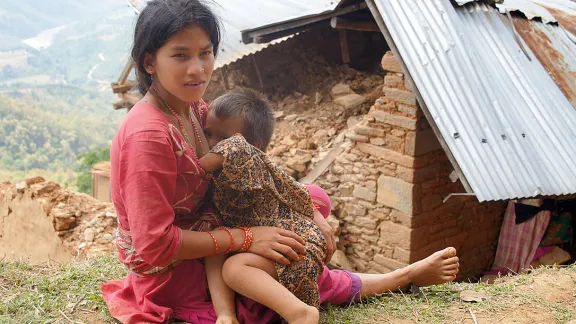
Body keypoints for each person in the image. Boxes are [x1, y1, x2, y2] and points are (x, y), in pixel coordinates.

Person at [101, 1, 460, 323]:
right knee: (271, 267)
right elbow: (154, 245)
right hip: (176, 266)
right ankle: (400, 278)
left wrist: (308, 211)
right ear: (149, 61)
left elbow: (250, 165)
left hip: (212, 221)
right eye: (180, 55)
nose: (198, 69)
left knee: (312, 196)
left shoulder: (193, 109)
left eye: (206, 52)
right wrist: (245, 238)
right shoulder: (148, 136)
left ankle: (348, 262)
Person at [198, 89, 331, 324]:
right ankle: (226, 316)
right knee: (215, 245)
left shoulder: (244, 155)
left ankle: (300, 314)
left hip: (294, 244)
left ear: (255, 147)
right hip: (268, 247)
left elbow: (222, 155)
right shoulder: (223, 182)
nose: (212, 144)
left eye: (222, 138)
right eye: (208, 134)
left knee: (234, 268)